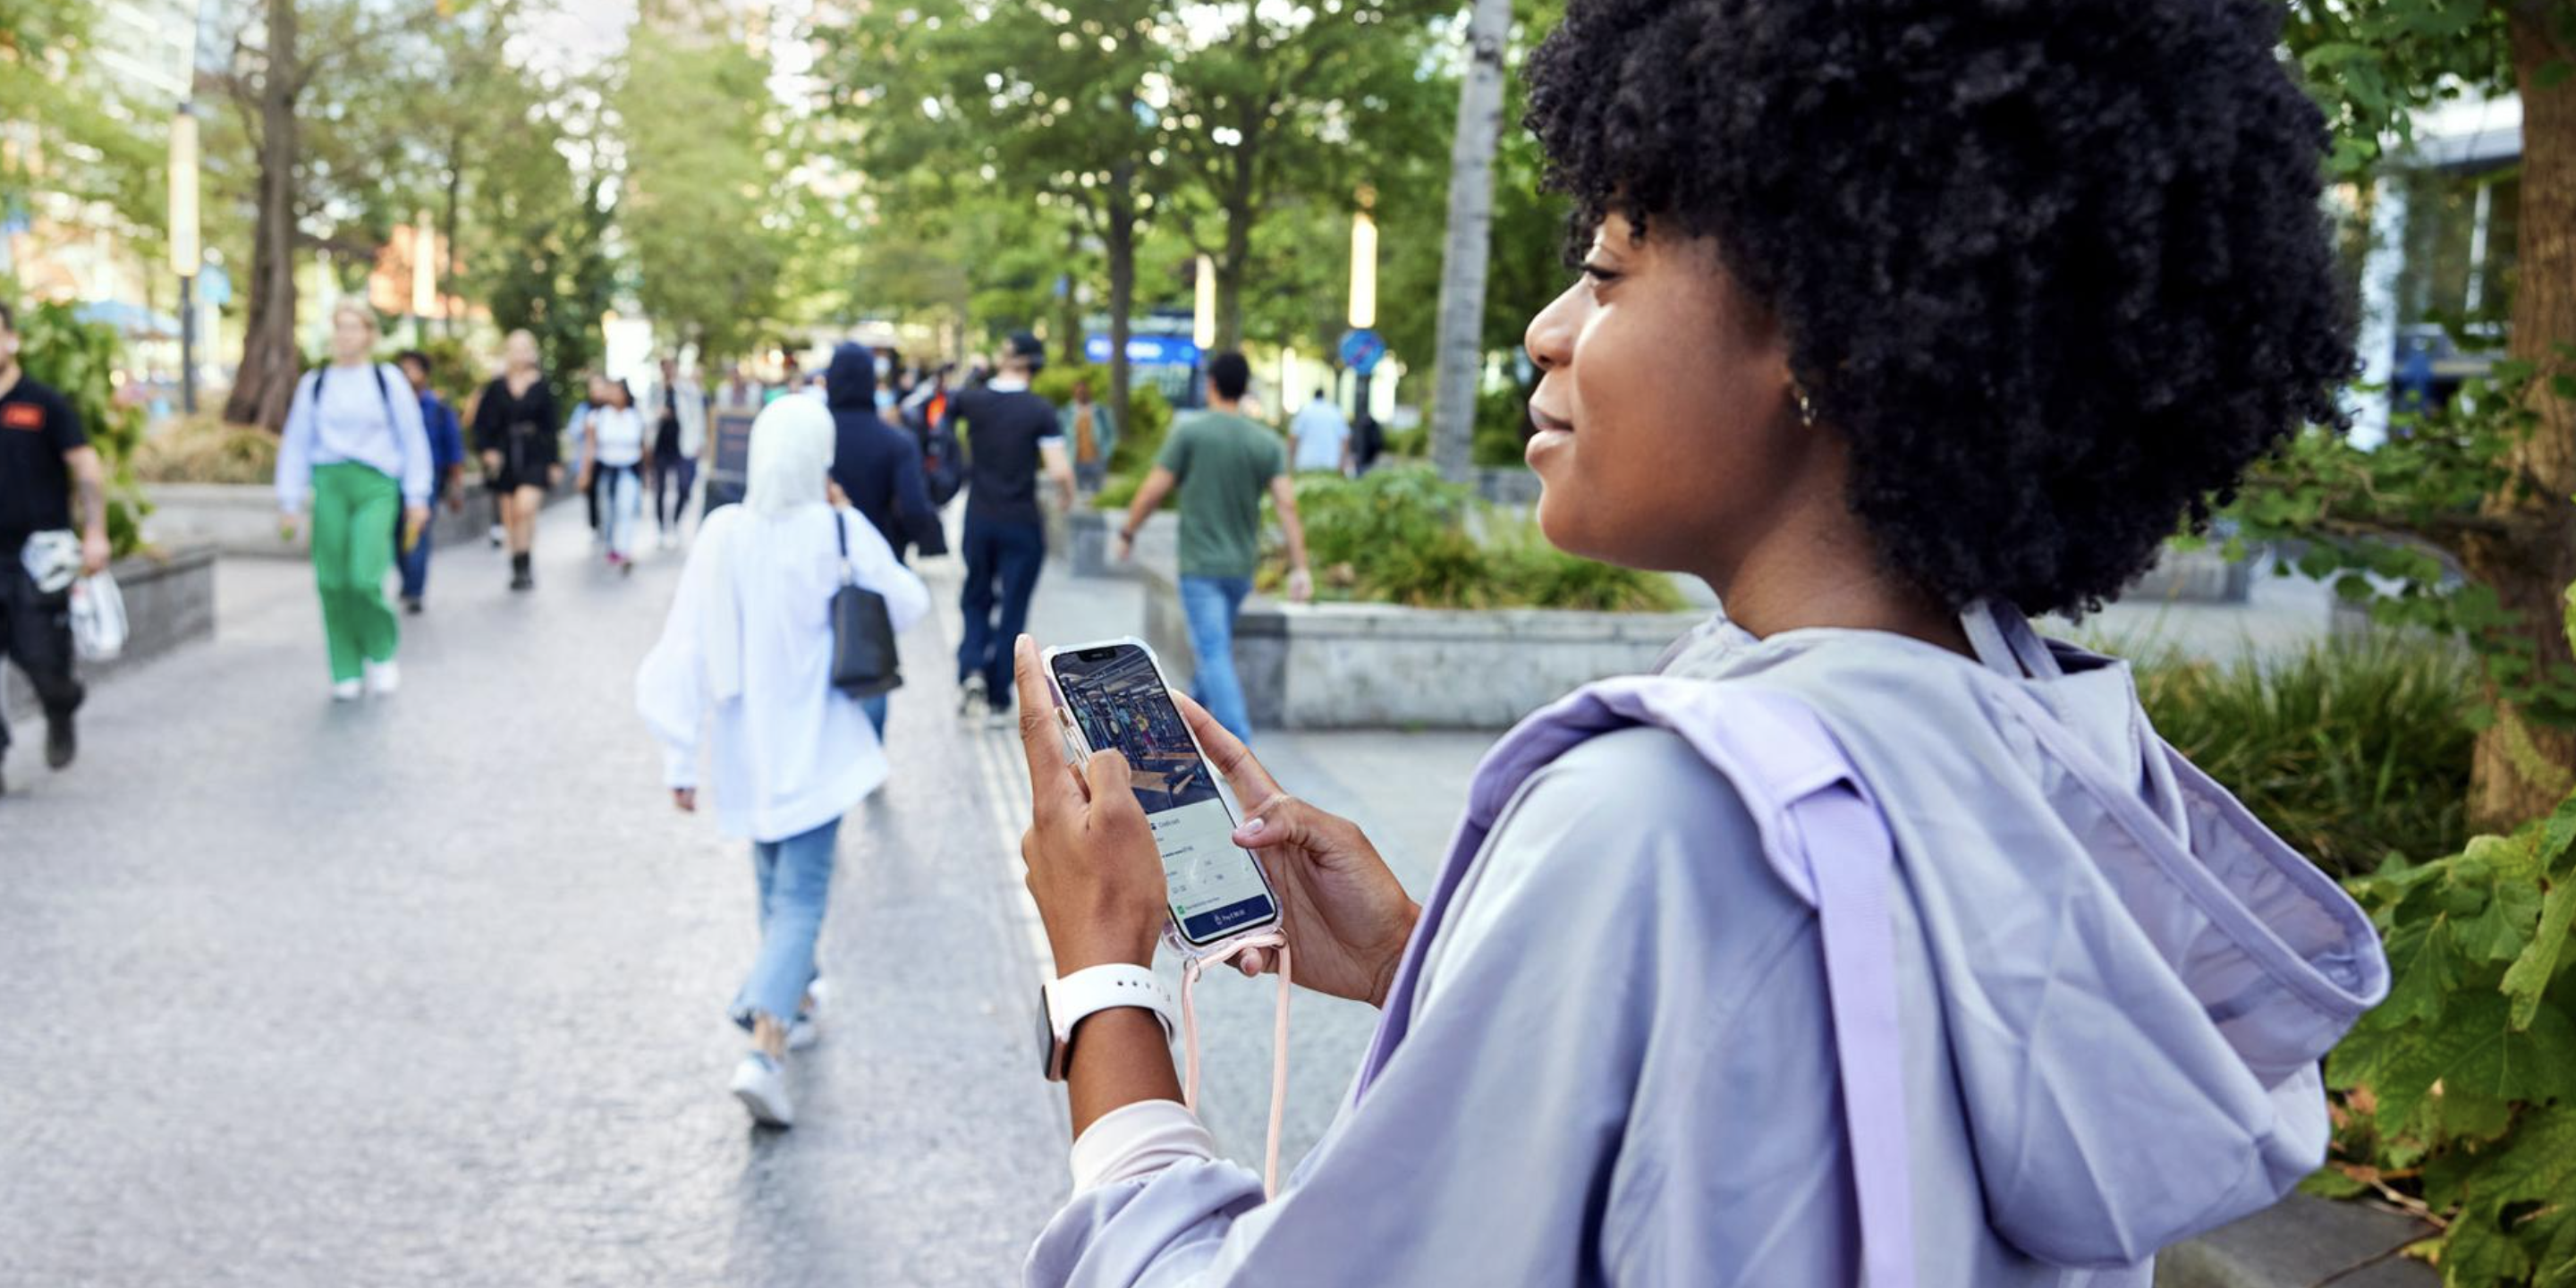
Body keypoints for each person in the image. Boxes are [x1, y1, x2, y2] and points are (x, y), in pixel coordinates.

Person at [1015, 0, 2381, 1284]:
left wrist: (1104, 976)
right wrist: (1434, 965)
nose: (1548, 332)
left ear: (1834, 343)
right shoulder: (2051, 747)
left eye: (1609, 270)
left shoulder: (1664, 825)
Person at [634, 396, 929, 1128]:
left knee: (775, 892)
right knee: (798, 900)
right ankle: (764, 1052)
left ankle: (796, 998)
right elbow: (910, 602)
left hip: (744, 747)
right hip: (819, 746)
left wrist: (681, 755)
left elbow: (684, 644)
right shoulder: (837, 527)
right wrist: (848, 532)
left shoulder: (723, 533)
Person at [1114, 352, 1313, 743]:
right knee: (1212, 650)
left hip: (1201, 566)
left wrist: (1128, 531)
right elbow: (1287, 504)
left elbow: (1155, 489)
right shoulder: (1266, 442)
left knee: (1213, 651)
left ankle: (1239, 745)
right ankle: (1181, 728)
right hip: (1240, 568)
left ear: (1212, 384)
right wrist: (1301, 566)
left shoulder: (1191, 432)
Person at [275, 301, 432, 700]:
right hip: (330, 482)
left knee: (364, 578)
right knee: (331, 580)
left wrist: (417, 494)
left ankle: (380, 651)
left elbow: (412, 437)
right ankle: (344, 665)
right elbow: (296, 442)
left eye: (353, 327)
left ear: (368, 334)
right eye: (339, 327)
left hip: (376, 484)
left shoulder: (386, 379)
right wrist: (289, 501)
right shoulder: (316, 383)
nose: (345, 335)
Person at [0, 300, 110, 794]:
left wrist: (96, 532)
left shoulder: (44, 403)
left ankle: (61, 704)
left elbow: (86, 469)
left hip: (36, 558)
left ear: (12, 340)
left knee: (43, 660)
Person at [945, 331, 1071, 727]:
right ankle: (1000, 694)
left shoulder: (972, 400)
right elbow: (1059, 470)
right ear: (1035, 365)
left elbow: (943, 411)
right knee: (1013, 608)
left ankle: (971, 672)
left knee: (976, 596)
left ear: (1004, 357)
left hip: (979, 518)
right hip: (1021, 522)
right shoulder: (1040, 410)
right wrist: (1068, 496)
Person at [471, 330, 562, 591]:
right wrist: (487, 449)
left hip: (534, 454)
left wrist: (554, 462)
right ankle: (518, 563)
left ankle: (525, 561)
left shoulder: (542, 386)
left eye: (525, 348)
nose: (520, 354)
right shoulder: (497, 386)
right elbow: (482, 424)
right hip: (505, 455)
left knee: (525, 508)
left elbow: (551, 426)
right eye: (515, 348)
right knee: (510, 515)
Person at [393, 349, 467, 614]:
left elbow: (454, 449)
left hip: (429, 479)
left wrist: (456, 484)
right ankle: (407, 578)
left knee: (418, 531)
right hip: (392, 478)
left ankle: (415, 589)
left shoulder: (437, 409)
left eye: (413, 368)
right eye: (403, 369)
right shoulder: (388, 407)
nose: (407, 374)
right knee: (395, 534)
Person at [580, 377, 648, 574]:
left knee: (625, 509)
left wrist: (646, 475)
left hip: (628, 469)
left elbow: (643, 447)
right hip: (606, 469)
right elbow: (590, 447)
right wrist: (585, 472)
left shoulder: (635, 416)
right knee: (607, 511)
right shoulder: (597, 416)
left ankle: (623, 549)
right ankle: (611, 545)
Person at [648, 356, 706, 550]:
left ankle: (675, 523)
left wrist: (700, 442)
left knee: (684, 487)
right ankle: (662, 529)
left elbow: (698, 417)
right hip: (661, 445)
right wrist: (657, 413)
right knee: (660, 490)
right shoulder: (655, 390)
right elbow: (645, 415)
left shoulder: (688, 390)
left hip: (683, 445)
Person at [1058, 377, 1119, 493]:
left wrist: (1107, 453)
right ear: (1073, 393)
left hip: (1097, 459)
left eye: (1084, 392)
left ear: (1089, 392)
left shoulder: (1100, 411)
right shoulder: (1065, 412)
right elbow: (1060, 436)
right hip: (1074, 459)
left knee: (1098, 494)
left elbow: (1112, 433)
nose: (1081, 395)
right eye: (1078, 392)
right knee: (1076, 494)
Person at [1286, 386, 1352, 477]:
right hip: (1331, 462)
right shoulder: (1335, 411)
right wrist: (1343, 460)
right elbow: (1345, 438)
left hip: (1306, 462)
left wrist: (1290, 460)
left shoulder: (1304, 411)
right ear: (1325, 396)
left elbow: (1293, 437)